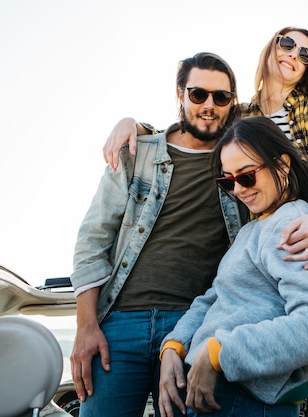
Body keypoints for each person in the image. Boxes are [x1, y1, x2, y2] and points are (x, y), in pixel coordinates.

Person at [102, 27, 308, 415]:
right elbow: (199, 119)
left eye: (306, 53)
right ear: (271, 47)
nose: (294, 54)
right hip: (262, 230)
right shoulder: (242, 115)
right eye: (226, 180)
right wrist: (137, 127)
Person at [69, 52, 246, 417]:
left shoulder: (239, 165)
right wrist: (86, 327)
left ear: (232, 104)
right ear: (180, 94)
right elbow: (93, 239)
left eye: (221, 97)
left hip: (194, 327)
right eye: (198, 94)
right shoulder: (139, 154)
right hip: (120, 325)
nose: (209, 105)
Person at [158, 116, 308, 417]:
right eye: (227, 181)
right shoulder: (252, 229)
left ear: (282, 165)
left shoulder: (288, 226)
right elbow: (215, 297)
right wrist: (174, 346)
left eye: (246, 176)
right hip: (220, 391)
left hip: (244, 398)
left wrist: (219, 352)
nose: (239, 189)